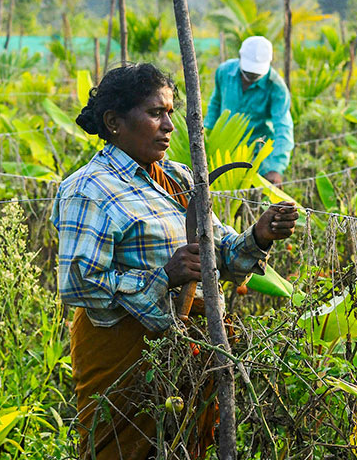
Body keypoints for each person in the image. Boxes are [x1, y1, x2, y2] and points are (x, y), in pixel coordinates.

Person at [52, 63, 298, 460]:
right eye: (155, 113)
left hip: (188, 351)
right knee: (122, 450)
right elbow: (79, 285)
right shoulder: (89, 189)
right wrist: (164, 276)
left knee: (184, 446)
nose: (169, 125)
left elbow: (219, 252)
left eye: (170, 112)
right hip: (123, 356)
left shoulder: (180, 178)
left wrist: (258, 236)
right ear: (114, 122)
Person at [204, 35, 294, 187]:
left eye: (256, 74)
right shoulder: (224, 72)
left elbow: (283, 128)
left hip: (257, 155)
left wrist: (275, 167)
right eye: (249, 72)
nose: (251, 77)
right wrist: (206, 137)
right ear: (240, 57)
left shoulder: (276, 88)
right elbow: (215, 104)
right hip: (224, 149)